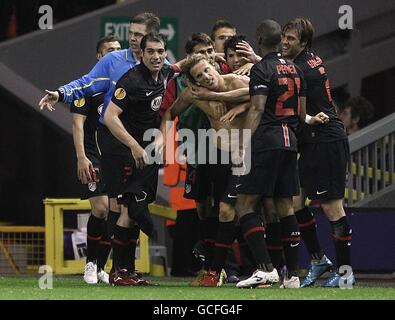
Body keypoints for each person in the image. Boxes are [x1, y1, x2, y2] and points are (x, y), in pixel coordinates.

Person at [234, 20, 327, 289]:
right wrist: (310, 120)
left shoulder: (261, 68)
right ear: (278, 41)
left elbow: (257, 109)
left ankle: (265, 269)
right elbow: (300, 113)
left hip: (267, 141)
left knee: (244, 205)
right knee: (285, 206)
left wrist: (243, 143)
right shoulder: (297, 70)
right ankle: (293, 276)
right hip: (290, 141)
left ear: (259, 38)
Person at [282, 17, 355, 288]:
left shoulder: (302, 68)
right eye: (284, 36)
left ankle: (346, 272)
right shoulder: (308, 59)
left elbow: (299, 112)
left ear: (303, 42)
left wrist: (310, 119)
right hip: (312, 143)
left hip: (326, 141)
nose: (285, 41)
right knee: (295, 202)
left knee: (332, 207)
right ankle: (318, 260)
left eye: (291, 38)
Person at [170, 54, 251, 286]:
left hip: (245, 156)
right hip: (212, 155)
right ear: (194, 82)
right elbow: (170, 112)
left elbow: (261, 93)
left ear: (214, 66)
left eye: (207, 70)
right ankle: (217, 269)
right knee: (212, 211)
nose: (206, 76)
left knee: (242, 211)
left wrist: (229, 101)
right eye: (199, 76)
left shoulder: (237, 80)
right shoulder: (194, 94)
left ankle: (269, 268)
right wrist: (159, 139)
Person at [104, 32, 177, 285]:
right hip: (126, 152)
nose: (156, 56)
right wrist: (135, 146)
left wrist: (161, 139)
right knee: (131, 210)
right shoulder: (131, 80)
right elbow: (110, 116)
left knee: (134, 212)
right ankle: (118, 272)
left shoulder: (166, 74)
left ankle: (128, 272)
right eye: (151, 52)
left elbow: (166, 112)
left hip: (148, 154)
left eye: (160, 51)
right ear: (141, 54)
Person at [71, 35, 120, 284]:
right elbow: (78, 124)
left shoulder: (126, 84)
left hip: (118, 157)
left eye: (118, 50)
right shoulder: (88, 86)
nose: (115, 54)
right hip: (93, 155)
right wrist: (81, 157)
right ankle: (90, 263)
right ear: (99, 57)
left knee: (118, 212)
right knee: (100, 209)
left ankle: (102, 265)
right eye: (109, 50)